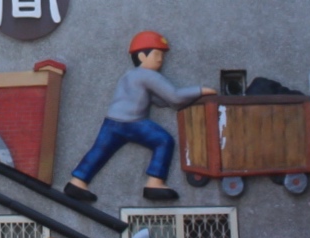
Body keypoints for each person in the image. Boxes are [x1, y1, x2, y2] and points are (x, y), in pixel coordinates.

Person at [64, 31, 214, 204]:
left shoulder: (129, 75)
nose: (160, 59)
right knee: (163, 141)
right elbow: (175, 97)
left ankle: (77, 182)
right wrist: (201, 90)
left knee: (100, 151)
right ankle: (155, 183)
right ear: (142, 56)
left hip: (112, 122)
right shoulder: (148, 75)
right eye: (157, 54)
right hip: (133, 123)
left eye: (162, 55)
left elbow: (160, 100)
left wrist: (178, 100)